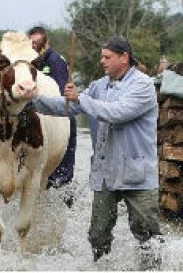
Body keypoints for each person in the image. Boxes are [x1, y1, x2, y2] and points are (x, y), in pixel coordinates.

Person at [32, 36, 162, 269]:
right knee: (97, 234)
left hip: (137, 174)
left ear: (124, 58)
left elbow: (117, 112)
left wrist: (80, 97)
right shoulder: (100, 85)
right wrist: (32, 99)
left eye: (107, 57)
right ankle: (102, 267)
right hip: (105, 172)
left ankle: (153, 269)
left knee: (147, 234)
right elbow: (69, 107)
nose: (102, 61)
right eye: (102, 56)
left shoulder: (143, 85)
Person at [27, 26, 76, 194]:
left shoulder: (54, 61)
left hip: (61, 119)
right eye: (31, 44)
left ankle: (65, 204)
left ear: (46, 43)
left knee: (61, 175)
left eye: (37, 44)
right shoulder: (31, 62)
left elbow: (62, 96)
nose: (34, 47)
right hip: (43, 117)